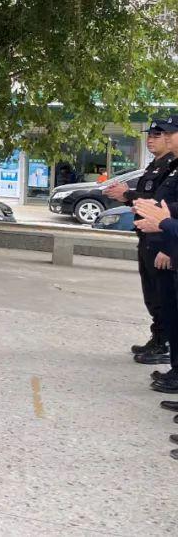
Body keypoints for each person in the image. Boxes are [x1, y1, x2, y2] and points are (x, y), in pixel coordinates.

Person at [103, 120, 177, 363]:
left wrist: (128, 195)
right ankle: (158, 338)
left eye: (160, 134)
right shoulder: (156, 166)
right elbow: (149, 200)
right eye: (152, 135)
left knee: (164, 296)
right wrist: (127, 197)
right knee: (153, 294)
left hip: (163, 237)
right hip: (149, 236)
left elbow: (160, 203)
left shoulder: (170, 167)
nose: (153, 139)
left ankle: (164, 344)